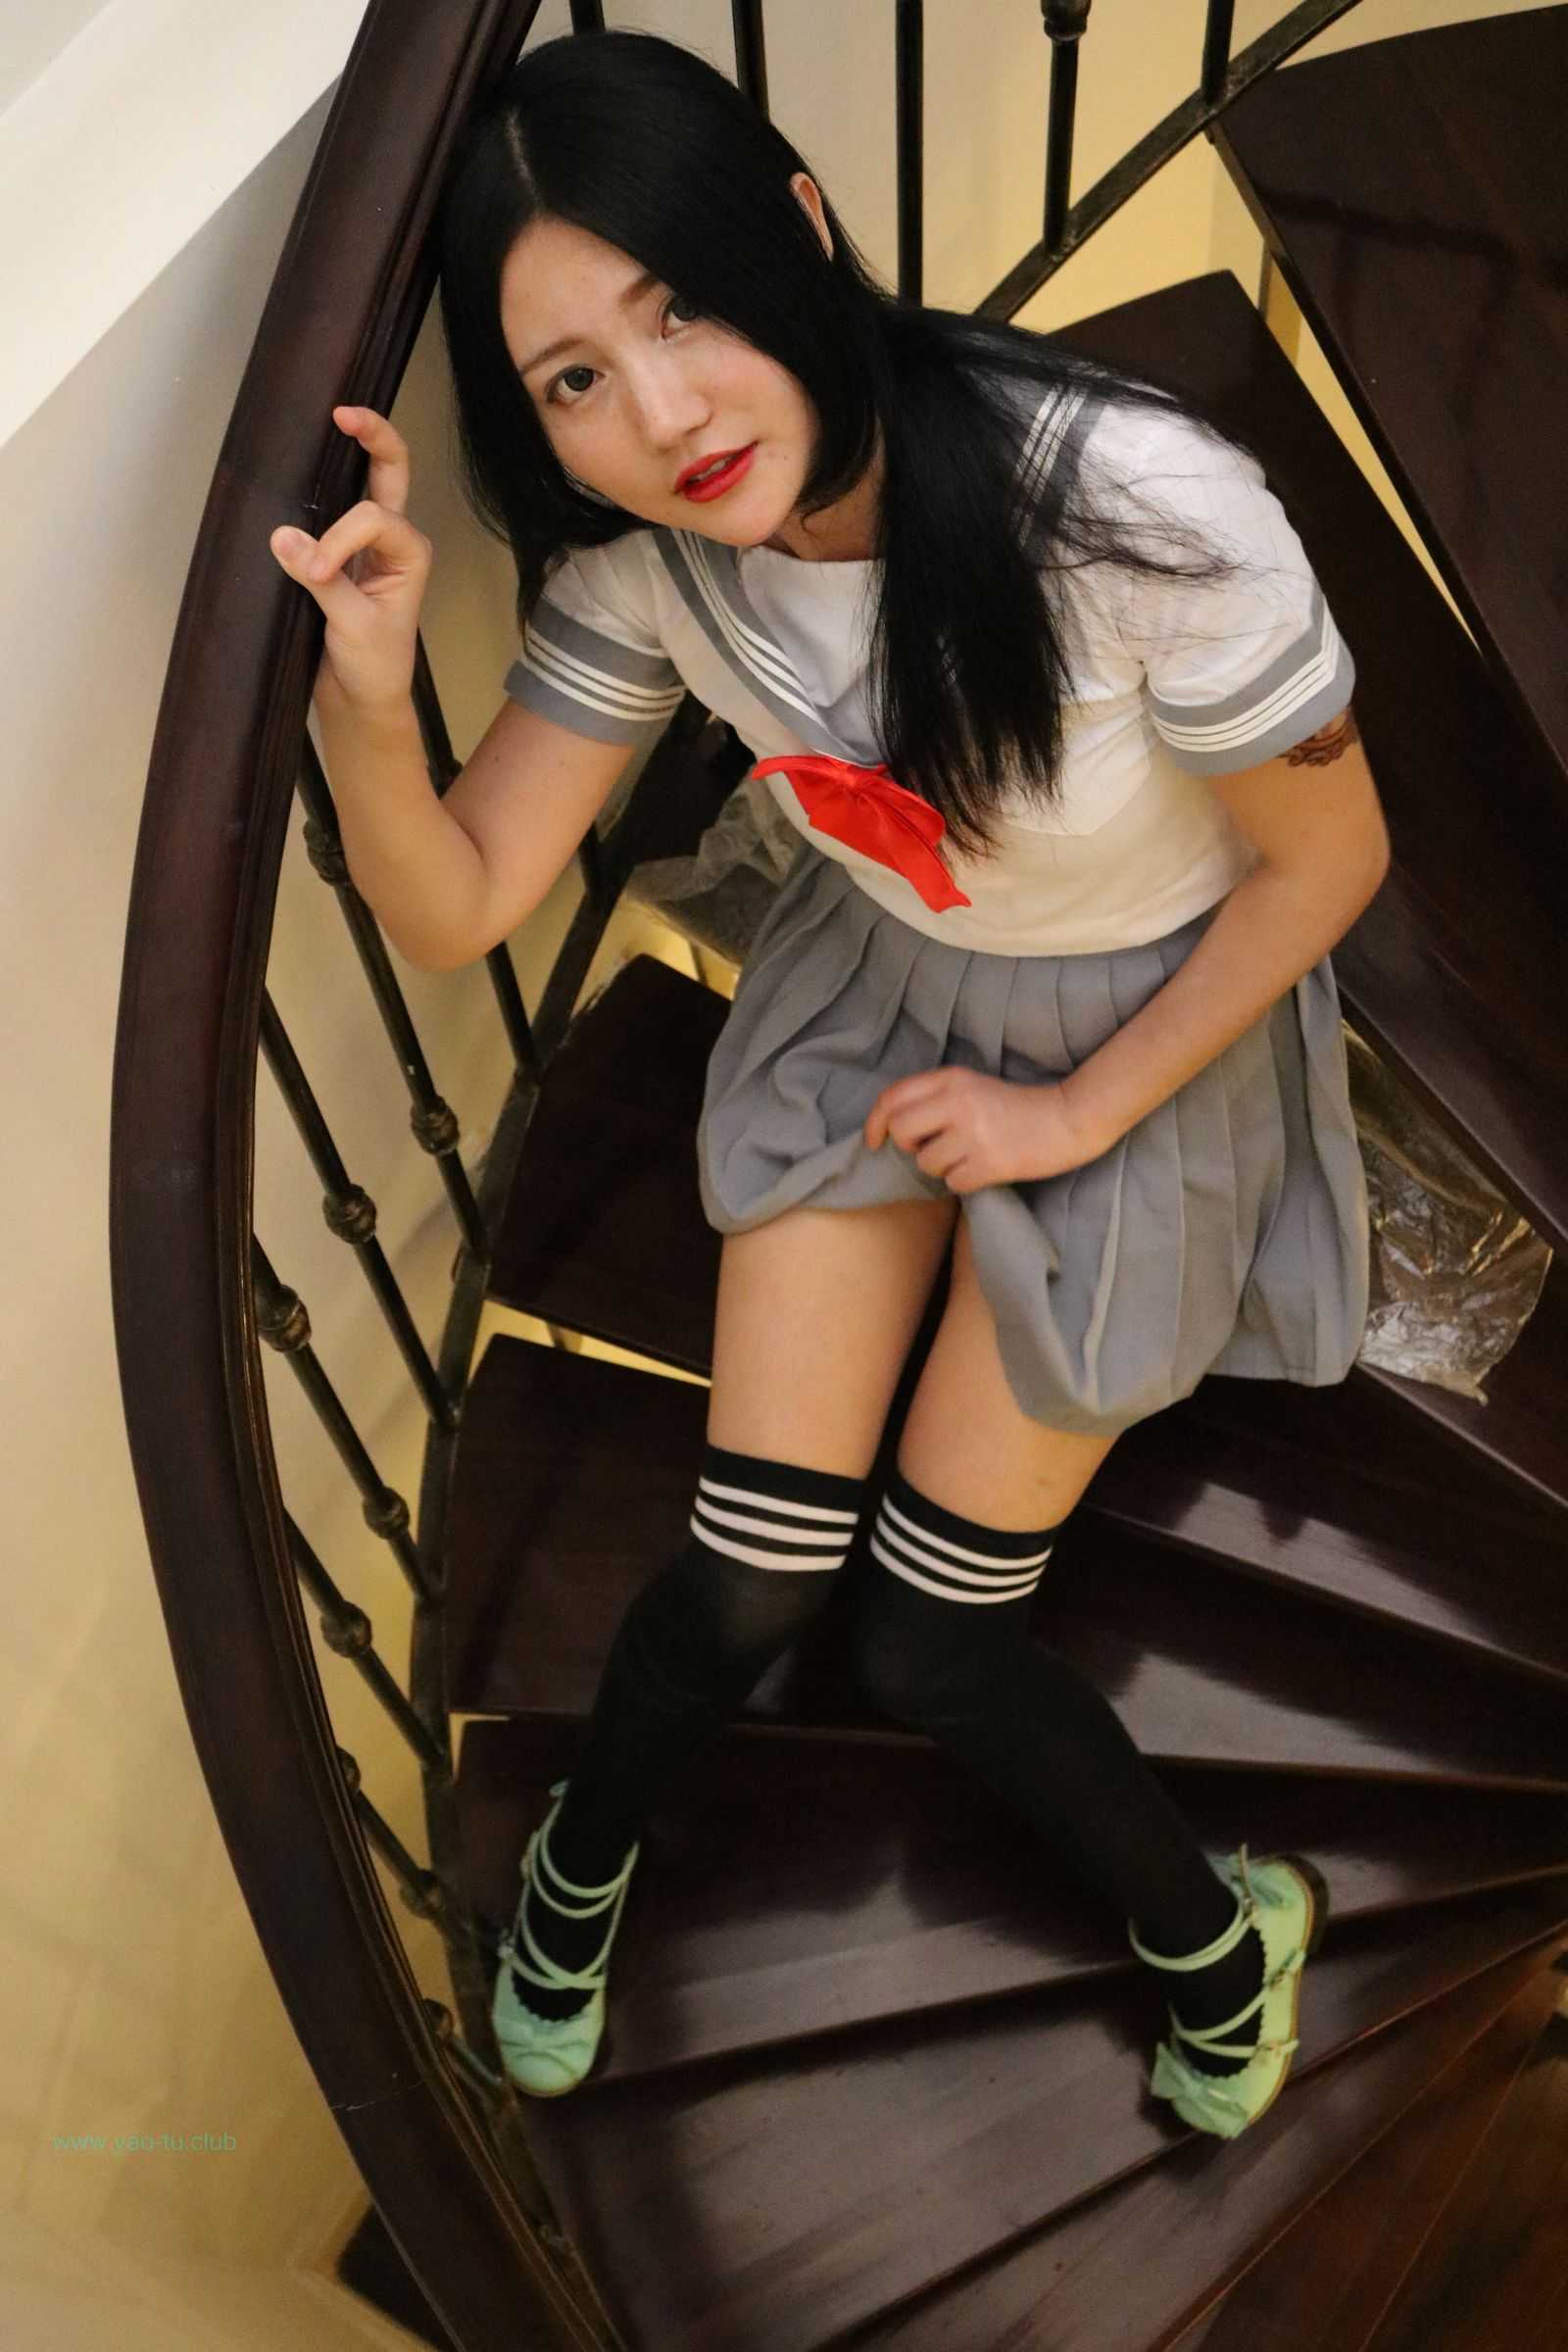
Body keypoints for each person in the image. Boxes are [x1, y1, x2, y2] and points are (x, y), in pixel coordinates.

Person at [269, 28, 1387, 2141]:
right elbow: (457, 901)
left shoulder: (1133, 510)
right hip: (883, 997)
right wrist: (371, 693)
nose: (664, 414)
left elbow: (1327, 863)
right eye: (573, 377)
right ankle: (576, 1875)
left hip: (1143, 1035)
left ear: (796, 227)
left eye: (680, 307)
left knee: (930, 1639)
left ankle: (1220, 1936)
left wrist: (1069, 1119)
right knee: (750, 1567)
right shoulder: (651, 564)